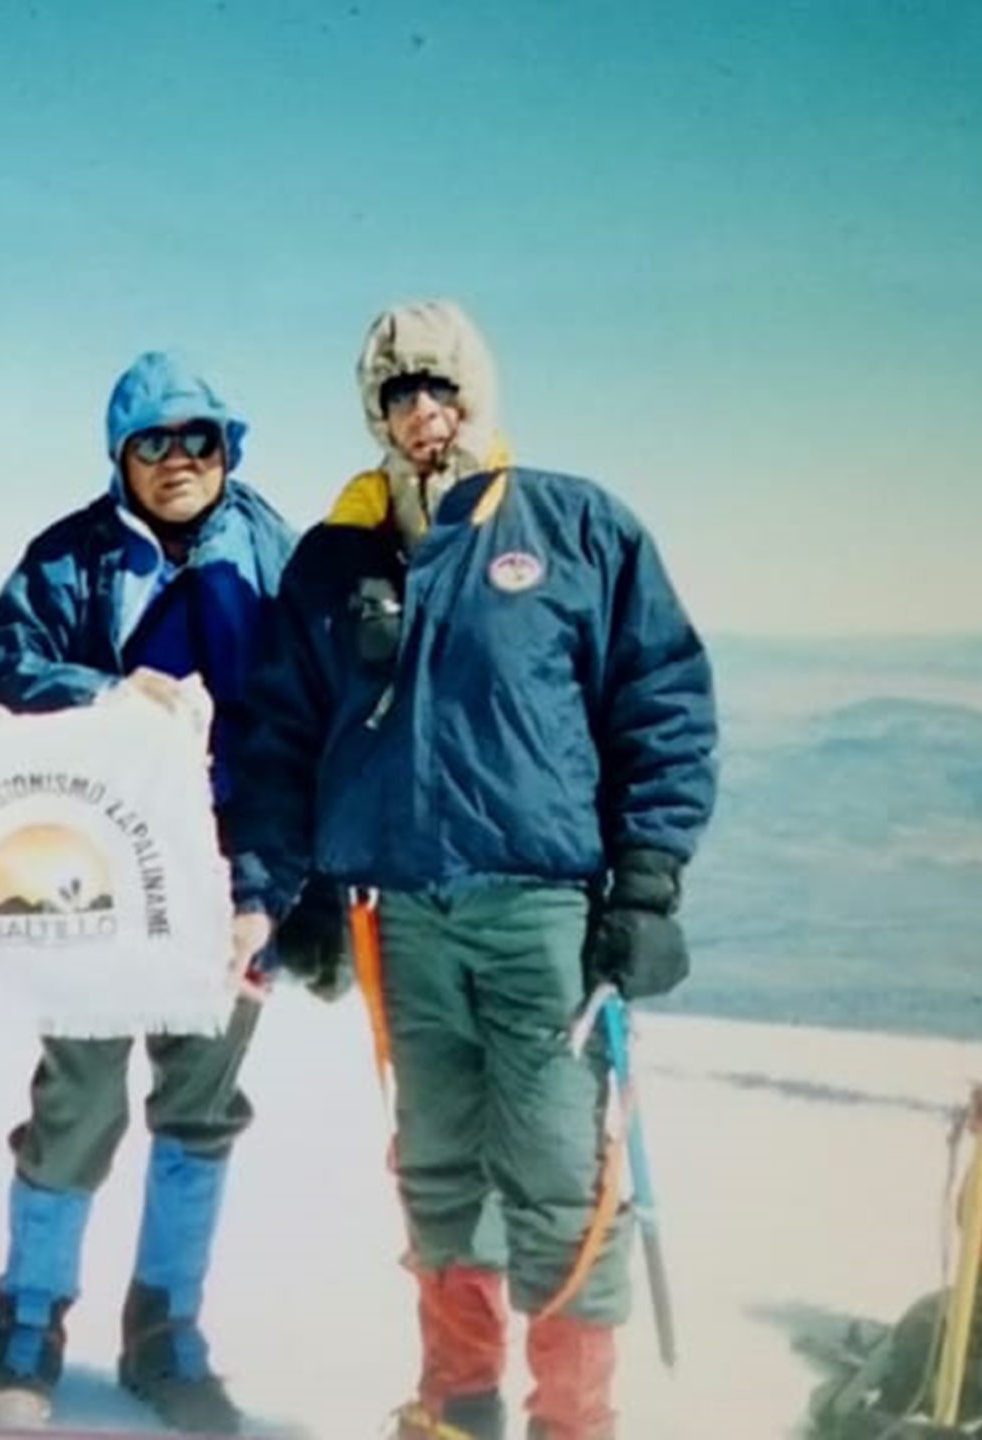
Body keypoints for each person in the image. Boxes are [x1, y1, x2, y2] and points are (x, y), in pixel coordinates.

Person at [222, 299, 716, 1440]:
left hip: (538, 910)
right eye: (397, 395)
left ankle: (572, 1421)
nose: (421, 415)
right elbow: (283, 735)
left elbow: (663, 703)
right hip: (396, 915)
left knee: (550, 1176)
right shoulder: (336, 558)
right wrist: (272, 889)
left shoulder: (571, 525)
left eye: (440, 390)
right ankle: (457, 1404)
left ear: (477, 397)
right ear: (373, 413)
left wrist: (645, 880)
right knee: (437, 1167)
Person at [0, 351, 297, 1432]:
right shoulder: (71, 559)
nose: (176, 460)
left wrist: (278, 887)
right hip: (99, 876)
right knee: (79, 1097)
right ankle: (25, 1330)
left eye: (197, 438)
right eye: (151, 441)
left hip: (232, 872)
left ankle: (166, 1335)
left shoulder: (271, 554)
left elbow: (307, 715)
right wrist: (111, 696)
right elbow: (3, 662)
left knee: (199, 1106)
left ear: (227, 447)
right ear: (120, 455)